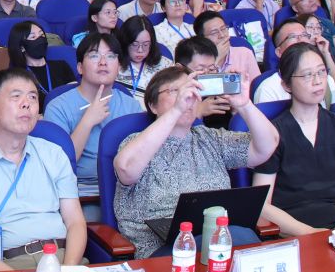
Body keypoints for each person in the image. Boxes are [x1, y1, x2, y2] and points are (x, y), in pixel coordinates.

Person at [111, 66, 280, 258]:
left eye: (192, 91)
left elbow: (267, 146)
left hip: (219, 238)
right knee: (241, 240)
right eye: (175, 91)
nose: (187, 98)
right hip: (161, 251)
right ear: (152, 105)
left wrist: (245, 104)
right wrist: (177, 110)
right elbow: (126, 169)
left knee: (240, 238)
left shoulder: (212, 139)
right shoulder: (135, 142)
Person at [0, 69, 86, 270]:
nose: (26, 103)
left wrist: (68, 271)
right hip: (6, 265)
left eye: (32, 97)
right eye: (16, 96)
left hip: (62, 258)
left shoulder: (54, 154)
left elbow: (75, 222)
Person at [253, 42, 335, 235]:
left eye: (321, 72)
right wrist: (311, 234)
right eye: (307, 75)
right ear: (286, 85)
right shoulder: (272, 134)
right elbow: (262, 203)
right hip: (293, 231)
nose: (318, 81)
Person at [44, 32, 144, 201]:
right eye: (94, 55)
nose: (103, 62)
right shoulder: (58, 107)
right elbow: (59, 165)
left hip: (126, 189)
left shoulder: (131, 105)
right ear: (80, 67)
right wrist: (87, 121)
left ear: (119, 67)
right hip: (80, 193)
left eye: (111, 56)